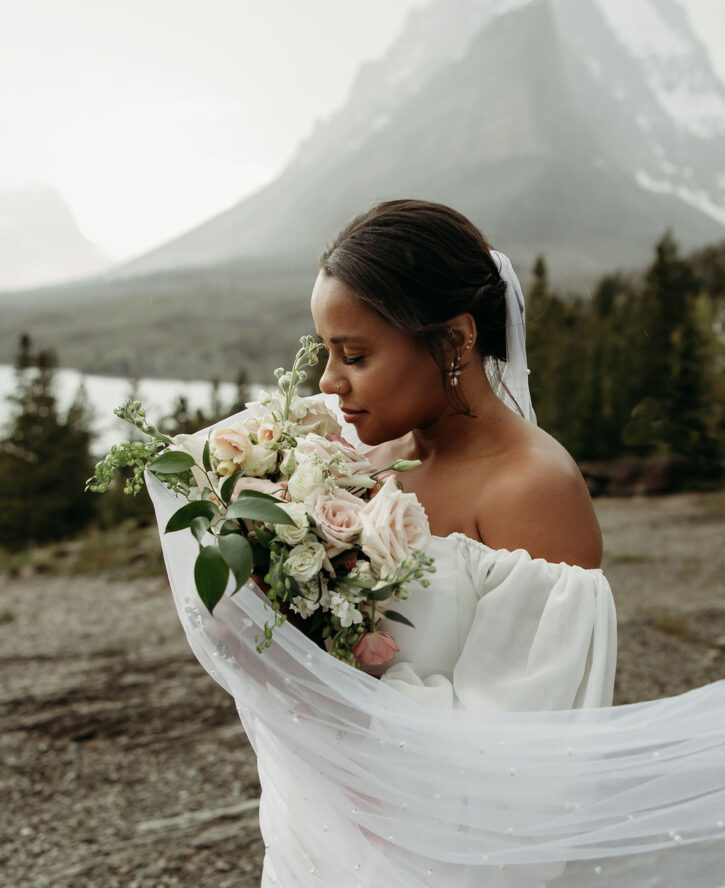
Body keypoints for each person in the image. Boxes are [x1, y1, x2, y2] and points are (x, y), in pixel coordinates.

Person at [147, 199, 725, 887]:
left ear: (453, 342)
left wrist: (329, 688)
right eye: (326, 352)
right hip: (321, 827)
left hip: (435, 856)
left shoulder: (530, 490)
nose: (328, 384)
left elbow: (516, 753)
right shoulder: (356, 458)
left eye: (353, 355)